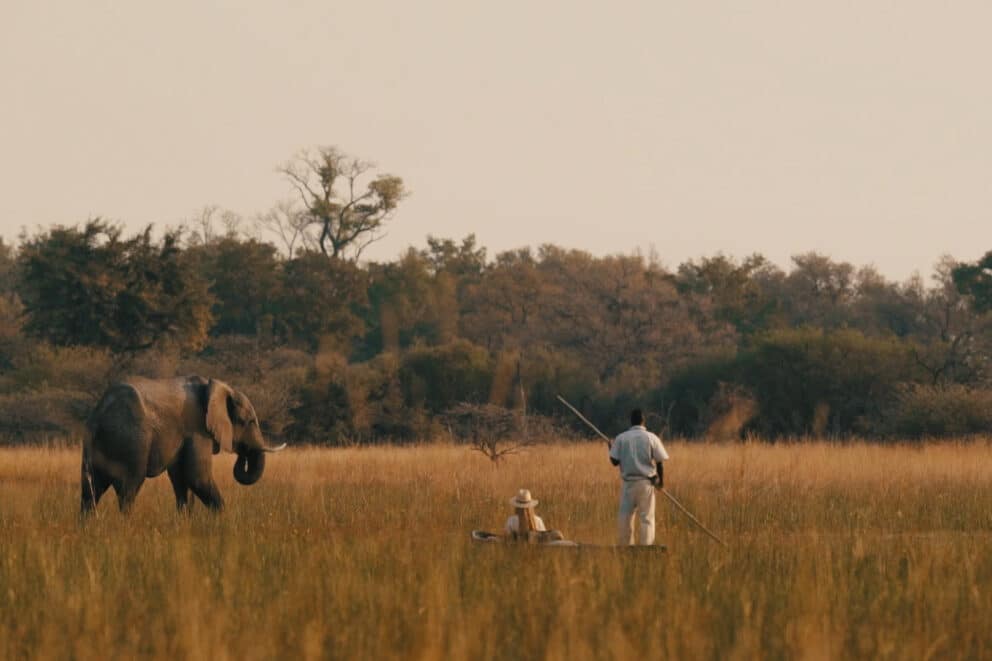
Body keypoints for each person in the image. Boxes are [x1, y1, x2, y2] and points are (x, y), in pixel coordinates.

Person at [609, 408, 669, 546]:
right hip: (646, 483)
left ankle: (625, 547)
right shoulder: (652, 437)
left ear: (631, 421)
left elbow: (614, 461)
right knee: (646, 518)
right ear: (643, 421)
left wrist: (610, 448)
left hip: (628, 484)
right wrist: (661, 483)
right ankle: (646, 548)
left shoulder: (621, 438)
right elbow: (660, 462)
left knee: (625, 517)